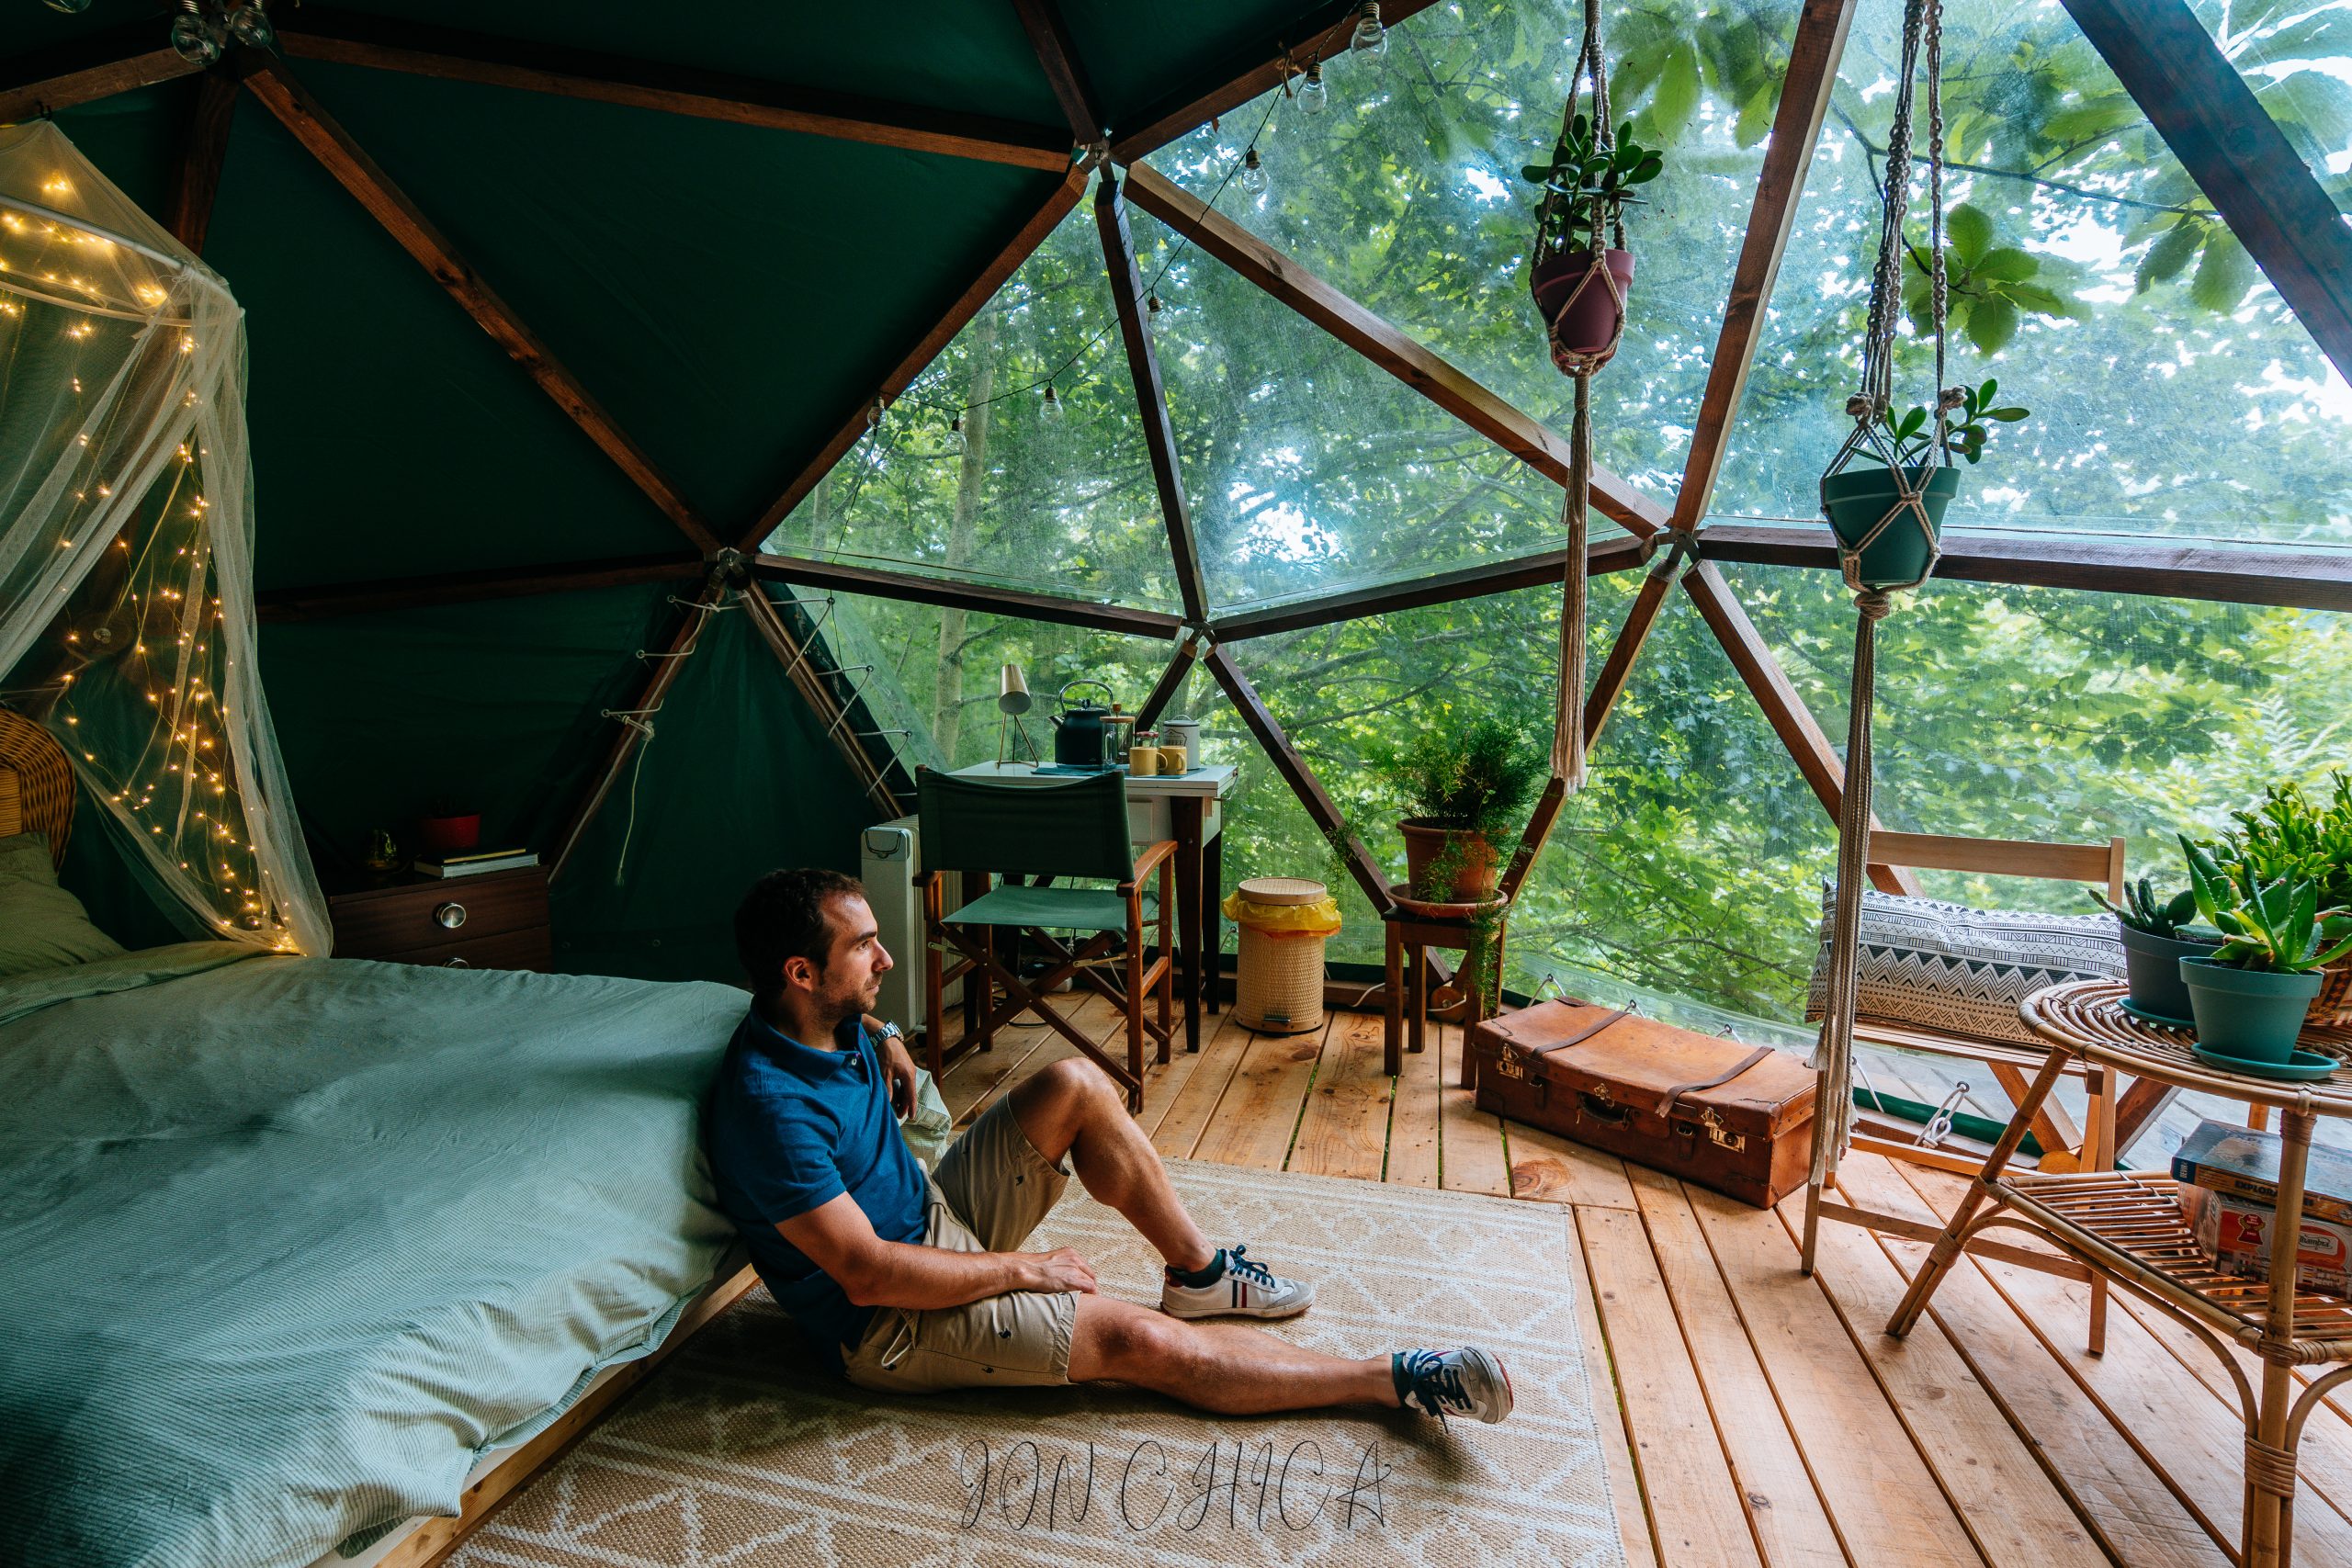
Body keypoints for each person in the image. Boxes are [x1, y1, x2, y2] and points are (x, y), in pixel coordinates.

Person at [704, 866, 1513, 1425]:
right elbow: (870, 1274)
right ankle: (1394, 1380)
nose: (885, 958)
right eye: (863, 947)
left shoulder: (830, 1016)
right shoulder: (770, 1112)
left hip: (934, 1215)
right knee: (1135, 1341)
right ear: (801, 972)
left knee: (1075, 1083)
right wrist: (1025, 1269)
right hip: (888, 1320)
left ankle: (1199, 1274)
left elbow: (858, 1013)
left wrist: (885, 1034)